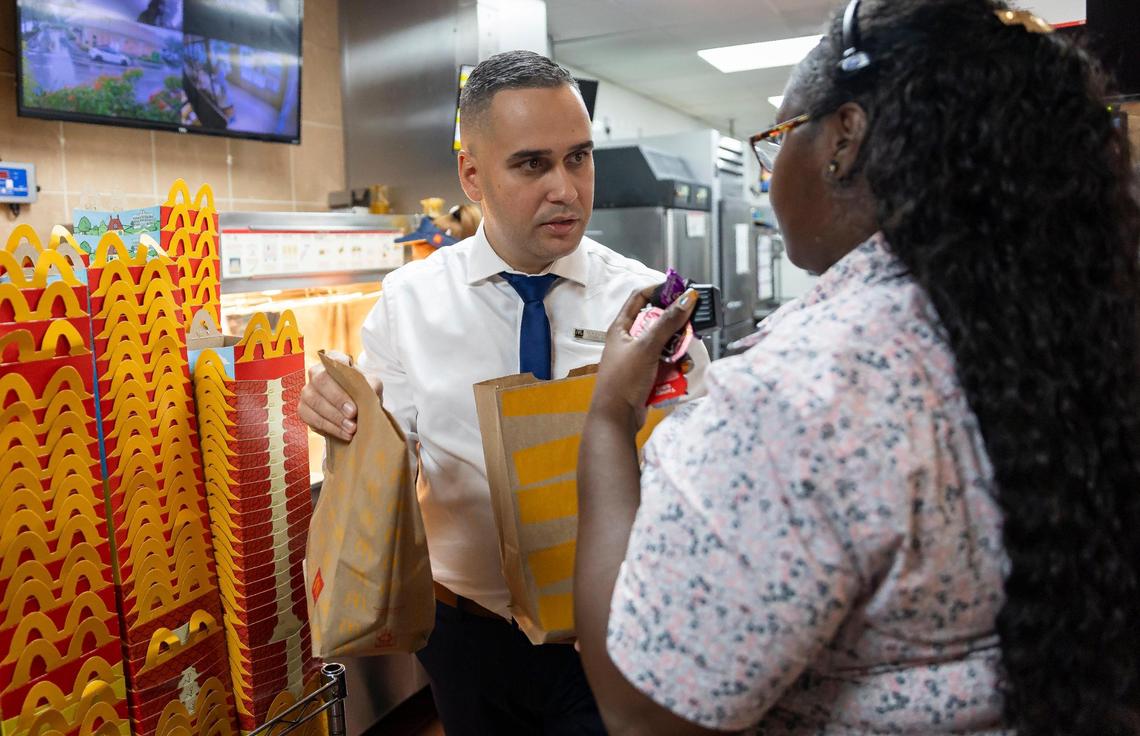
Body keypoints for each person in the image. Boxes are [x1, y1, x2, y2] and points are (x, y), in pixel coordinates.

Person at [574, 1, 1140, 734]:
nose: (773, 177)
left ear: (843, 140)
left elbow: (640, 711)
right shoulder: (1077, 326)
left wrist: (609, 419)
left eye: (777, 141)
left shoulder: (795, 398)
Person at [297, 50, 708, 734]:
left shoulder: (643, 302)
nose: (567, 188)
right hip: (466, 639)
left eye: (579, 158)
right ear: (472, 174)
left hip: (611, 635)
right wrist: (339, 407)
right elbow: (383, 448)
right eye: (532, 164)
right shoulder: (409, 302)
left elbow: (704, 467)